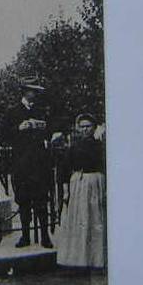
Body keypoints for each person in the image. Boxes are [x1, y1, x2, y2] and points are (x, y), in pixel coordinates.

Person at [0, 79, 54, 249]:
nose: (35, 94)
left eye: (36, 91)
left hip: (39, 163)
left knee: (42, 200)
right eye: (32, 90)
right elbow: (2, 137)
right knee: (23, 201)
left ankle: (44, 236)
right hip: (21, 164)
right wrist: (19, 128)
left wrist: (44, 129)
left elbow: (49, 132)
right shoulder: (12, 112)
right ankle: (25, 236)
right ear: (25, 92)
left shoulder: (41, 111)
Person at [56, 114, 107, 269]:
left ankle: (96, 259)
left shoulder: (101, 146)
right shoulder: (74, 147)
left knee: (95, 220)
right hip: (79, 185)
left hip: (96, 183)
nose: (85, 129)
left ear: (94, 127)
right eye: (82, 126)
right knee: (80, 220)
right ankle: (78, 259)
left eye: (88, 126)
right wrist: (65, 190)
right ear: (78, 128)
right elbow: (64, 170)